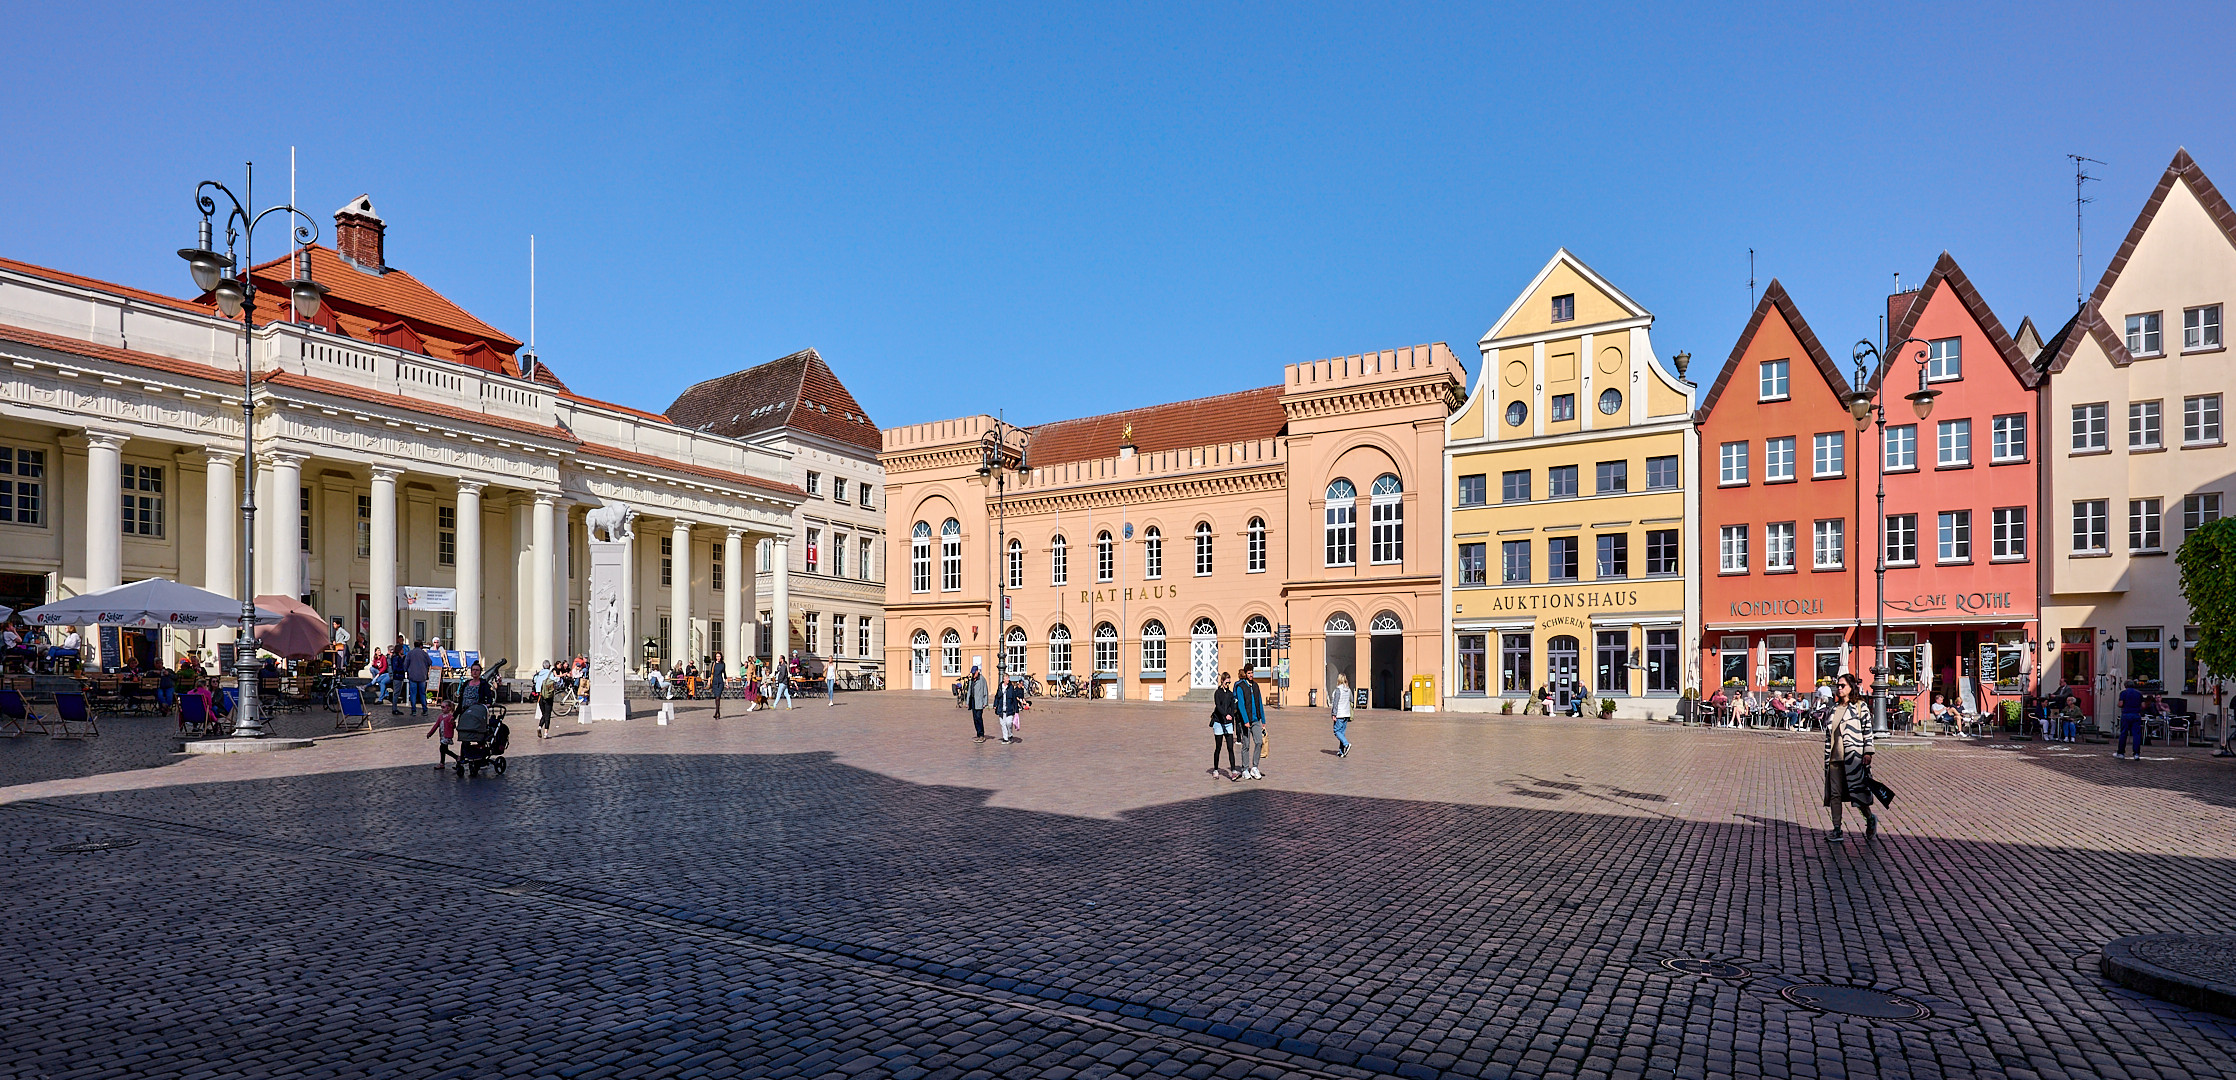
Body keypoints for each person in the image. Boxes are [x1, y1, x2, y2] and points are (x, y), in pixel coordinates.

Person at [1823, 672, 1881, 842]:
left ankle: (1870, 819)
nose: (1839, 689)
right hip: (1834, 758)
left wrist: (1868, 752)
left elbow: (1867, 730)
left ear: (1851, 687)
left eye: (1842, 686)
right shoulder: (1833, 709)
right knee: (1835, 794)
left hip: (1853, 756)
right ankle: (1836, 829)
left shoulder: (1860, 706)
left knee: (1858, 793)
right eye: (1838, 686)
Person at [1210, 672, 1240, 779]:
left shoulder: (1230, 694)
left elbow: (1233, 707)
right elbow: (1218, 706)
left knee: (1230, 747)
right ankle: (1216, 769)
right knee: (1218, 747)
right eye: (1227, 683)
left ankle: (1233, 770)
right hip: (1218, 722)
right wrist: (1225, 715)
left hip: (1228, 724)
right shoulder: (1217, 693)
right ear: (1222, 681)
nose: (1228, 685)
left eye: (1229, 683)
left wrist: (1231, 715)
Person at [400, 640, 432, 716]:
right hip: (422, 676)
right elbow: (430, 662)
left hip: (412, 676)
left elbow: (405, 664)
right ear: (421, 646)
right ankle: (425, 709)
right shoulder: (424, 653)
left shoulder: (410, 653)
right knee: (422, 694)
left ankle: (413, 710)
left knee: (413, 694)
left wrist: (406, 671)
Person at [2118, 679, 2146, 760]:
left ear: (2125, 685)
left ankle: (2121, 753)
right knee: (2136, 734)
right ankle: (2136, 753)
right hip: (2136, 715)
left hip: (2126, 714)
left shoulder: (2123, 693)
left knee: (2123, 733)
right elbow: (2143, 705)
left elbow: (2121, 704)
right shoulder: (2139, 693)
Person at [427, 700, 457, 769]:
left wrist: (452, 723)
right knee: (444, 749)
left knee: (443, 748)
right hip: (442, 736)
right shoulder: (441, 716)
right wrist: (430, 733)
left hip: (447, 736)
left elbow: (453, 727)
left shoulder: (450, 717)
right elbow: (436, 725)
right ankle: (443, 762)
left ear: (448, 708)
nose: (442, 709)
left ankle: (455, 757)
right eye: (441, 707)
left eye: (443, 707)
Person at [993, 676, 1025, 742]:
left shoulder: (1011, 687)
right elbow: (997, 697)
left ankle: (1010, 734)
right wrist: (995, 705)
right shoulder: (1000, 687)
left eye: (1008, 678)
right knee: (1003, 724)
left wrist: (1016, 710)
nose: (1008, 679)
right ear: (1003, 679)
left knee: (1009, 723)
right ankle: (1005, 738)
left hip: (1009, 708)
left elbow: (1014, 699)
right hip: (1001, 708)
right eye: (1007, 678)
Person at [532, 660, 557, 738]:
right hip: (548, 696)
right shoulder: (550, 674)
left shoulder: (539, 673)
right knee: (548, 714)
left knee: (544, 714)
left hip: (540, 696)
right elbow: (554, 681)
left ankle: (539, 727)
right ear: (549, 666)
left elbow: (534, 681)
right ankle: (546, 733)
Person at [1330, 671, 1353, 757]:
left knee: (1336, 731)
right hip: (1346, 713)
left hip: (1340, 713)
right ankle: (1341, 751)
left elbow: (1335, 703)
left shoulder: (1338, 690)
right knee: (1342, 732)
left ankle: (1346, 744)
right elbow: (1352, 700)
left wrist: (1334, 714)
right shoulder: (1348, 689)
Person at [964, 664, 989, 740]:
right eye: (972, 673)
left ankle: (981, 734)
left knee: (979, 717)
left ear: (978, 671)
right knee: (975, 718)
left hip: (979, 702)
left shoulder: (982, 679)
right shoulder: (972, 680)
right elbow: (969, 691)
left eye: (974, 673)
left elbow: (985, 691)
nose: (973, 674)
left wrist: (985, 702)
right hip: (973, 701)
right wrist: (967, 702)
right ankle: (978, 733)